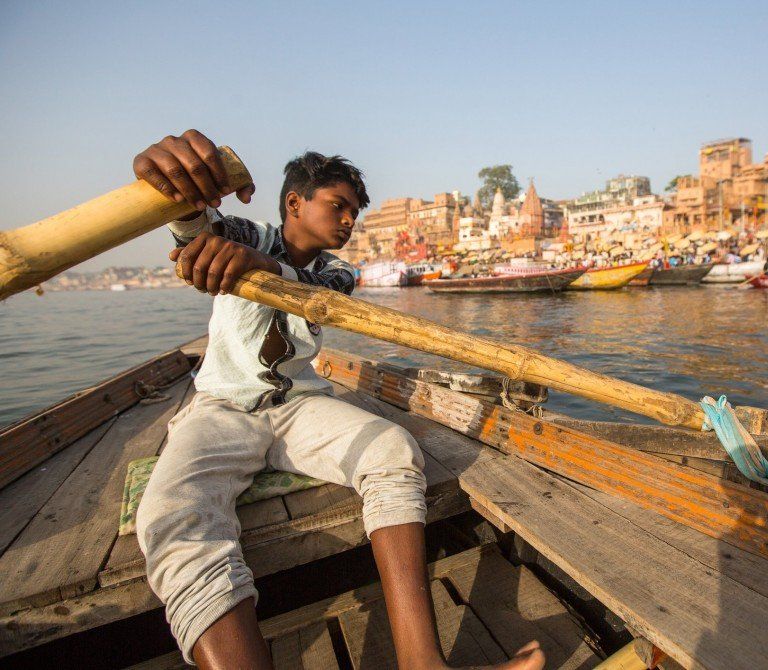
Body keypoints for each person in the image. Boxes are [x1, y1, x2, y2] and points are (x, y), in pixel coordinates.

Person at [132, 130, 544, 670]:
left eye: (355, 211)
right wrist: (172, 185)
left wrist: (254, 265)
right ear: (293, 203)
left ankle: (423, 664)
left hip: (299, 404)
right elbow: (196, 229)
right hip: (222, 408)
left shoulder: (337, 272)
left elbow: (309, 289)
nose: (350, 220)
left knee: (391, 449)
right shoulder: (244, 233)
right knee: (169, 514)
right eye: (338, 205)